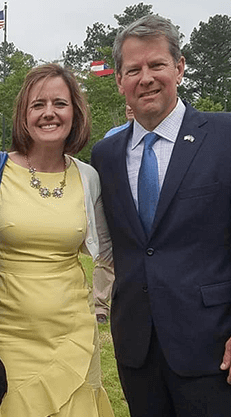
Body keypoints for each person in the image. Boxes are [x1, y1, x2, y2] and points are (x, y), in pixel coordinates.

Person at [91, 14, 231, 417]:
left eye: (156, 65)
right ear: (119, 81)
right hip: (137, 348)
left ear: (179, 67)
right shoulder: (106, 156)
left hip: (211, 347)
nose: (145, 78)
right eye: (133, 70)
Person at [0, 64, 114, 417]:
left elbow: (107, 251)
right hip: (8, 335)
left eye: (60, 103)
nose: (49, 113)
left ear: (75, 112)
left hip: (74, 335)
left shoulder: (87, 177)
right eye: (38, 104)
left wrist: (101, 304)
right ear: (24, 114)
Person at [94, 104, 136, 323]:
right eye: (126, 105)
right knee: (106, 256)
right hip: (114, 204)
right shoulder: (113, 136)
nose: (130, 108)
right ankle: (100, 305)